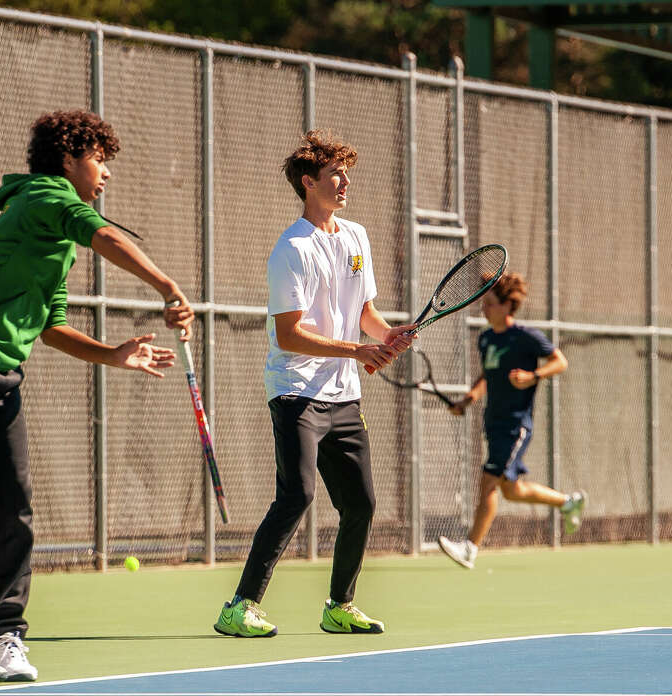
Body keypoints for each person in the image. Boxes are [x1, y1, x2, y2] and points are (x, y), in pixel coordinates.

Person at [0, 109, 194, 683]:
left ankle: (6, 637)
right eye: (98, 160)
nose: (106, 174)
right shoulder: (45, 197)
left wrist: (114, 354)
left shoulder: (52, 233)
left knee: (13, 504)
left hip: (3, 369)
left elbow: (50, 325)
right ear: (68, 161)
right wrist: (167, 286)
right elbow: (106, 235)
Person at [212, 131, 413, 639]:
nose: (345, 182)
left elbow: (363, 313)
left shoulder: (356, 237)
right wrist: (357, 351)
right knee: (296, 495)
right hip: (296, 392)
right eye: (334, 175)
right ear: (309, 182)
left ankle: (340, 605)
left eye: (347, 173)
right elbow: (290, 333)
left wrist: (385, 334)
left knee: (361, 504)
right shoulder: (291, 248)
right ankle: (240, 606)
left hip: (344, 396)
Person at [437, 271, 586, 570]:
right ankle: (568, 502)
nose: (485, 308)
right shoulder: (486, 339)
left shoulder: (525, 338)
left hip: (515, 425)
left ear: (507, 306)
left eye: (490, 303)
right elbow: (487, 376)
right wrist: (468, 400)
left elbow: (560, 361)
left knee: (489, 482)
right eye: (484, 303)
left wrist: (533, 376)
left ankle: (470, 548)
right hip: (493, 424)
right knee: (511, 489)